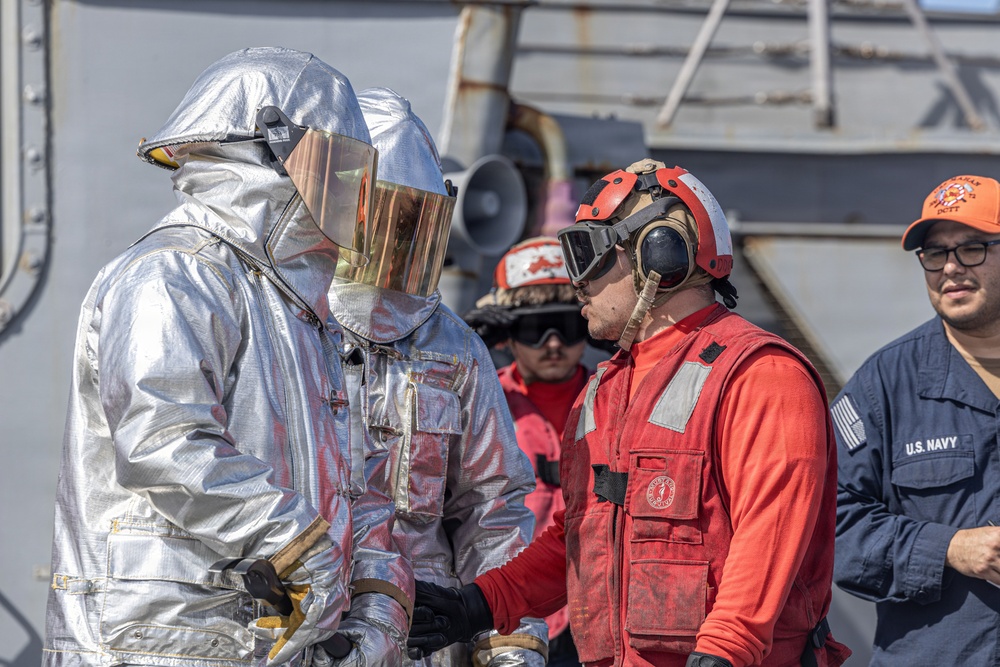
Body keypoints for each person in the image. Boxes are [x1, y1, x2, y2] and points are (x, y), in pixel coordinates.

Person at [43, 48, 411, 667]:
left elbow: (351, 478)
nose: (351, 197)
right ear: (272, 153)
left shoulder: (293, 303)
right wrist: (305, 546)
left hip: (250, 640)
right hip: (156, 640)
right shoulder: (174, 273)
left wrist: (371, 605)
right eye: (341, 168)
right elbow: (163, 444)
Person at [408, 159, 851, 667]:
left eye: (587, 254)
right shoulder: (605, 390)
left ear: (657, 255)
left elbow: (768, 533)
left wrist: (726, 651)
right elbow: (580, 538)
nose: (577, 283)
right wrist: (480, 604)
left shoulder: (761, 374)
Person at [327, 87, 548, 667]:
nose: (397, 248)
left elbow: (492, 507)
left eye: (414, 227)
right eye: (384, 225)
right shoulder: (286, 328)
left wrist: (508, 645)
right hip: (304, 625)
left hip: (420, 641)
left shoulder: (454, 348)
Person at [834, 174, 1000, 664]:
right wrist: (949, 549)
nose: (951, 267)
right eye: (934, 253)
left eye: (972, 247)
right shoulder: (883, 385)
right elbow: (830, 525)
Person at [463, 237, 593, 667]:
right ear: (509, 333)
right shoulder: (479, 399)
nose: (554, 344)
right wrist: (463, 348)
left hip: (597, 618)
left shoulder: (618, 397)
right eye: (536, 329)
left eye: (567, 326)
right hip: (507, 616)